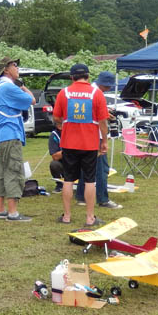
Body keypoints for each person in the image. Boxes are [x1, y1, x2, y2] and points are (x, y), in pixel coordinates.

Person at [52, 63, 109, 227]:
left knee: (68, 179)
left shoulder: (64, 93)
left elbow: (56, 117)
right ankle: (90, 217)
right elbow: (103, 121)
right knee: (90, 180)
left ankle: (67, 216)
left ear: (72, 77)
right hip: (89, 143)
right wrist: (104, 141)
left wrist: (63, 125)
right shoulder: (96, 93)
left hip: (69, 143)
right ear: (88, 76)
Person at [0, 57, 35, 222]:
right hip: (11, 134)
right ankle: (13, 212)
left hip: (1, 135)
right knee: (14, 171)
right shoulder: (9, 87)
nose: (17, 68)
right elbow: (31, 100)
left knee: (2, 172)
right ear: (6, 70)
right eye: (14, 66)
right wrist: (22, 86)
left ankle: (1, 209)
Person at [75, 71, 122, 210]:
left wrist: (105, 112)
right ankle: (103, 199)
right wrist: (104, 139)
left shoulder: (87, 92)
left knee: (86, 167)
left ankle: (81, 197)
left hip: (83, 135)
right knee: (102, 169)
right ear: (105, 84)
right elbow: (100, 119)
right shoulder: (97, 93)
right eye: (109, 86)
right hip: (95, 136)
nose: (110, 88)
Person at [48, 126, 63, 193]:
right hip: (64, 164)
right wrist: (68, 150)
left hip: (77, 163)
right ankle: (60, 185)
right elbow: (55, 156)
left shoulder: (75, 132)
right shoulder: (54, 135)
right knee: (54, 164)